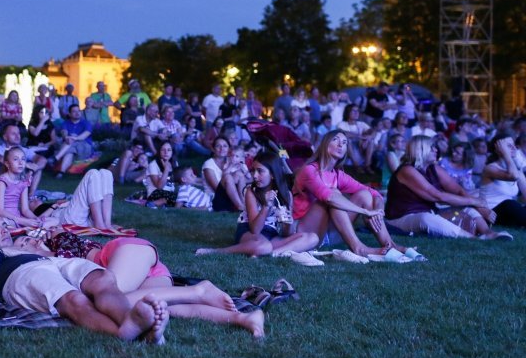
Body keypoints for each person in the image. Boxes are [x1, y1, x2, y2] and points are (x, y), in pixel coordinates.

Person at [0, 212, 169, 343]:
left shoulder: (22, 245)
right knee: (73, 299)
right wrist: (0, 254)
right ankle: (124, 333)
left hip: (51, 263)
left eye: (5, 226)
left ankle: (131, 322)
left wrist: (38, 250)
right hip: (20, 275)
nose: (4, 231)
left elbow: (55, 256)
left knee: (103, 279)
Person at [15, 230, 265, 338]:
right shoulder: (36, 269)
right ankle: (245, 319)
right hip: (148, 273)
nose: (29, 244)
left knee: (111, 299)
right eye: (22, 244)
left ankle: (200, 290)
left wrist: (45, 237)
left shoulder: (58, 243)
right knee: (162, 308)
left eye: (27, 239)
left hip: (127, 254)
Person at [292, 130, 412, 258]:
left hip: (329, 234)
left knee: (364, 194)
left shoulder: (337, 174)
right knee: (334, 194)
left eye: (344, 143)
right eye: (336, 140)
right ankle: (359, 248)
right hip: (306, 233)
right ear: (325, 144)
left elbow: (374, 193)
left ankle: (389, 244)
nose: (340, 145)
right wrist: (364, 211)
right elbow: (329, 197)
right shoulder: (309, 170)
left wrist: (378, 210)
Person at [196, 152, 320, 260]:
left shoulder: (286, 194)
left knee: (313, 238)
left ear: (272, 174)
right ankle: (215, 251)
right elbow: (254, 229)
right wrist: (266, 206)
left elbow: (287, 234)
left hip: (272, 235)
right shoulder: (251, 191)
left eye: (260, 171)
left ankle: (273, 254)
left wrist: (288, 222)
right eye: (253, 170)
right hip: (250, 233)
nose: (254, 176)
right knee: (263, 246)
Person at [386, 135, 508, 239]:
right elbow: (436, 196)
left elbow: (459, 190)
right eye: (432, 147)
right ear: (420, 149)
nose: (435, 150)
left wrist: (480, 207)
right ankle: (472, 238)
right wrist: (475, 201)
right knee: (426, 218)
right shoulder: (407, 170)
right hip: (401, 218)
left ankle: (488, 233)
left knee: (464, 205)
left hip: (430, 211)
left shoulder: (434, 168)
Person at [0, 147, 53, 228]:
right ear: (7, 164)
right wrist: (24, 221)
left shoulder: (23, 182)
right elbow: (0, 211)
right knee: (8, 224)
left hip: (17, 217)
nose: (20, 162)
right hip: (2, 218)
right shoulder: (2, 181)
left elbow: (25, 209)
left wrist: (36, 219)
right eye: (16, 159)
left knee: (52, 221)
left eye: (23, 159)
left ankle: (29, 228)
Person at [480, 134, 526, 226]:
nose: (514, 148)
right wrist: (506, 154)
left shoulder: (518, 172)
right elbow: (513, 176)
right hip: (493, 212)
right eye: (509, 146)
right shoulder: (490, 168)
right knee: (510, 204)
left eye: (513, 145)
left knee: (513, 205)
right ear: (498, 149)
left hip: (510, 211)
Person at [0, 124, 47, 198]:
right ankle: (8, 193)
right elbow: (2, 159)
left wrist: (31, 171)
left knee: (38, 169)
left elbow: (43, 160)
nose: (17, 136)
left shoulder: (24, 150)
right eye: (13, 134)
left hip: (22, 178)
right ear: (5, 137)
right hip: (2, 182)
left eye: (18, 133)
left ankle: (30, 195)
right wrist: (26, 165)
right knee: (6, 166)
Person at [54, 104, 93, 178]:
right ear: (69, 114)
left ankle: (56, 158)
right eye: (74, 111)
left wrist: (74, 138)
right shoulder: (66, 123)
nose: (77, 113)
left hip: (84, 145)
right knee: (70, 151)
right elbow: (64, 132)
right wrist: (66, 137)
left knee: (70, 142)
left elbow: (84, 135)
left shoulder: (86, 123)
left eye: (78, 111)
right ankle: (61, 172)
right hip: (71, 146)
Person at [144, 141, 178, 208]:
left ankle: (164, 203)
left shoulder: (175, 163)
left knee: (184, 195)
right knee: (177, 198)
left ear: (172, 152)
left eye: (169, 150)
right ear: (159, 151)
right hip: (155, 193)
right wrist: (166, 170)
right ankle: (155, 203)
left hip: (170, 193)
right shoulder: (153, 165)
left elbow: (178, 181)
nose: (166, 152)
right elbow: (159, 187)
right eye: (163, 150)